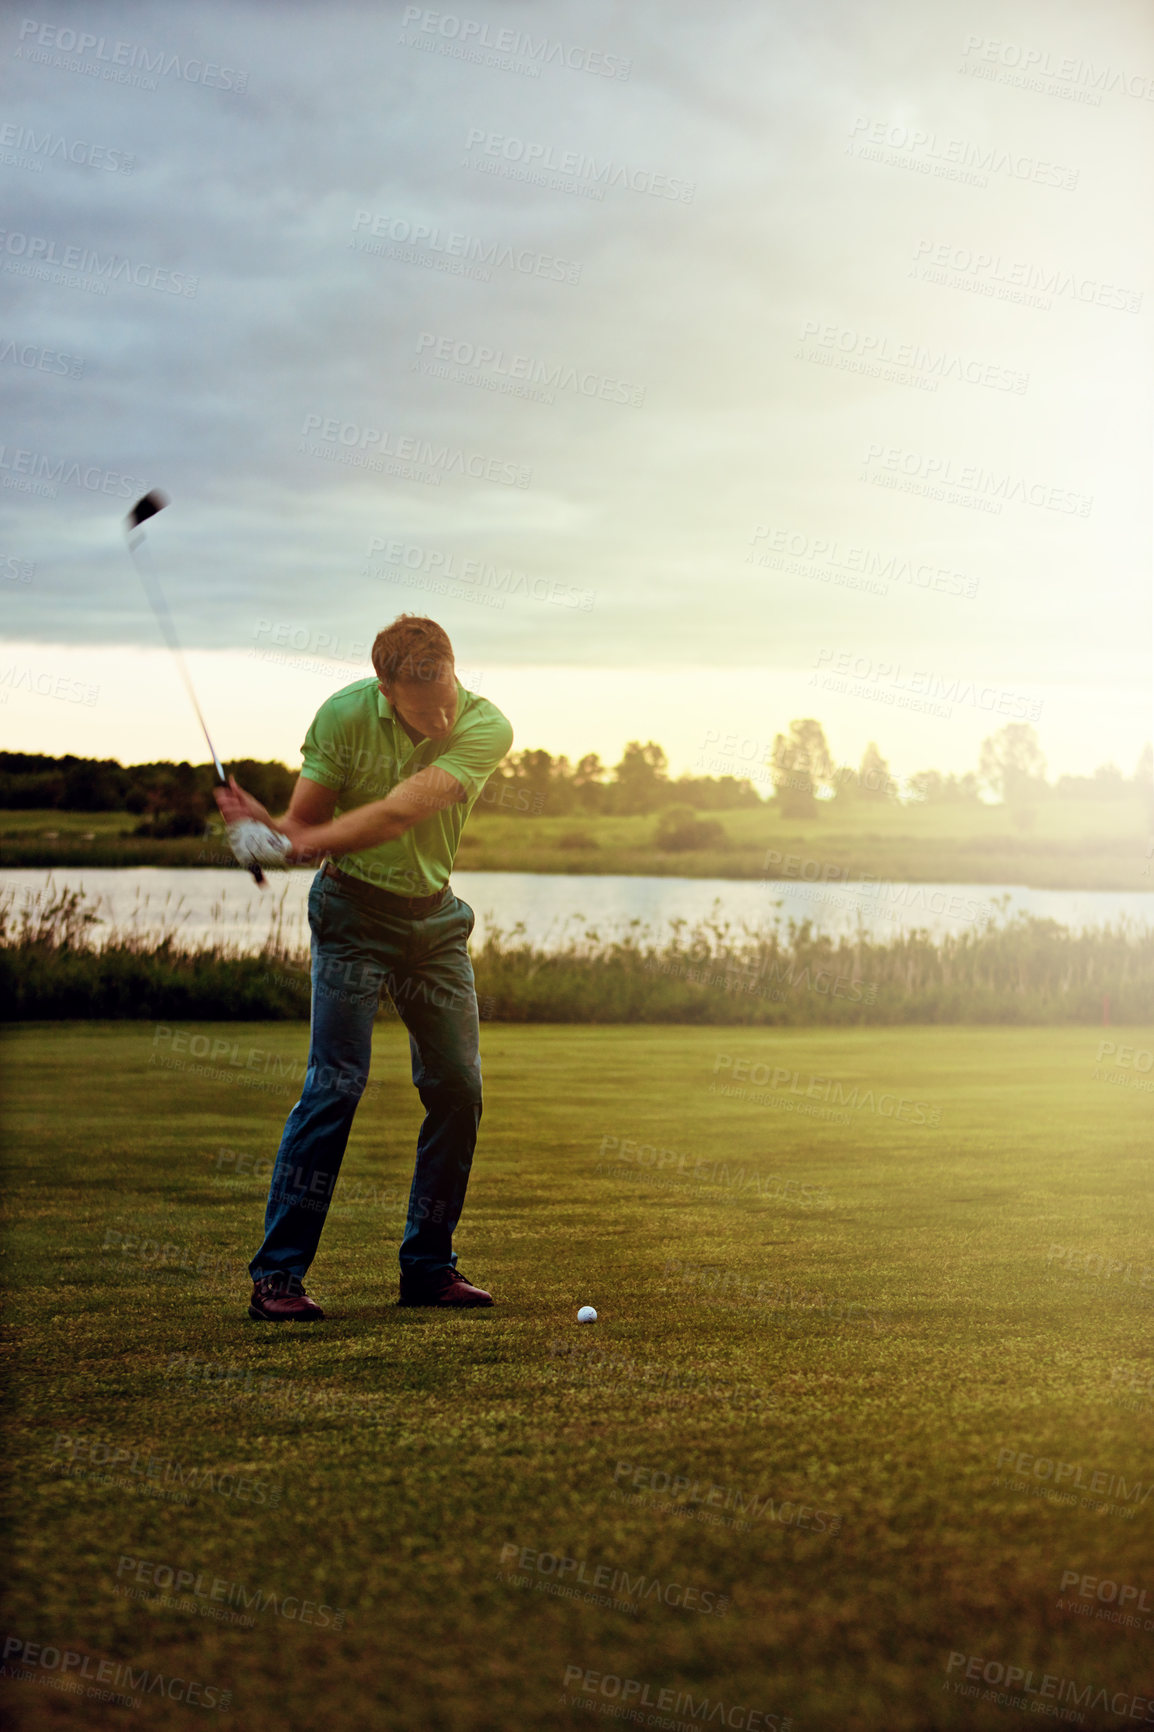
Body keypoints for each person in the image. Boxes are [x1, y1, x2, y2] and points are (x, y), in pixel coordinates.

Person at [214, 615, 513, 1321]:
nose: (442, 716)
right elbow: (306, 822)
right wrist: (271, 830)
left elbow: (400, 811)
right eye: (423, 708)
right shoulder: (344, 717)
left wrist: (293, 842)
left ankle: (429, 1269)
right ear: (385, 689)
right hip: (351, 916)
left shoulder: (485, 724)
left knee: (458, 1088)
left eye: (446, 695)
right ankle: (278, 1277)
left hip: (435, 922)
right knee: (336, 1085)